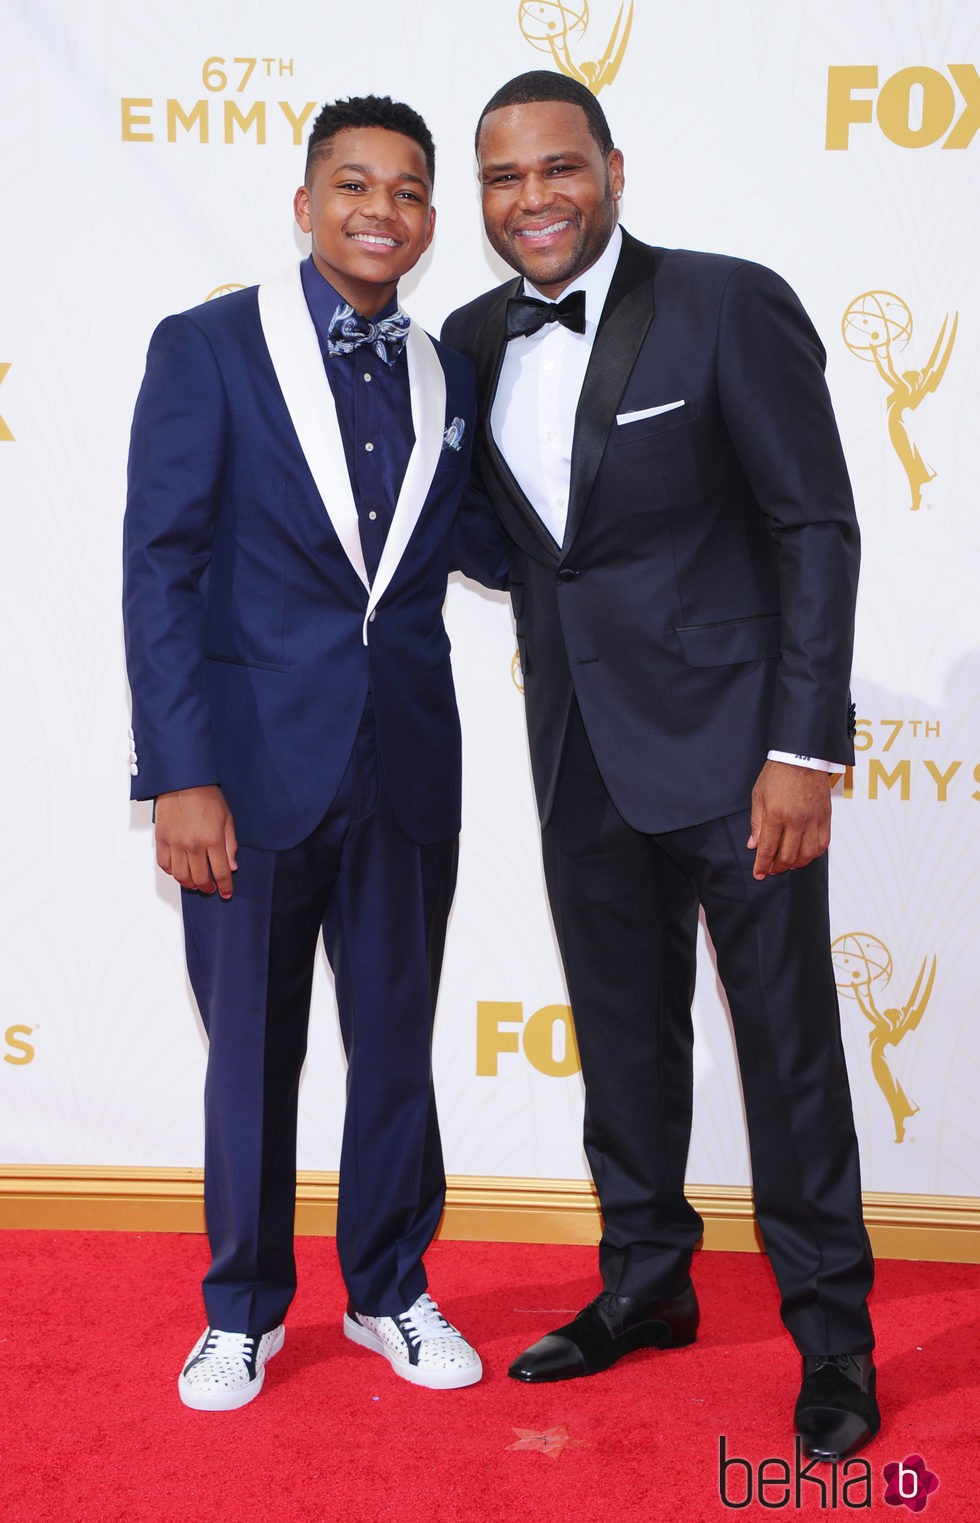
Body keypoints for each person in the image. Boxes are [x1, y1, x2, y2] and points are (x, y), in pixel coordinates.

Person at [443, 71, 878, 1462]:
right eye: (506, 181)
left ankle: (836, 1343)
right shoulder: (467, 337)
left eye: (558, 170)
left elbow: (815, 524)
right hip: (577, 751)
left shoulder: (725, 302)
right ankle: (645, 1286)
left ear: (613, 169)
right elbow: (500, 536)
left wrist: (803, 746)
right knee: (623, 1045)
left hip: (744, 755)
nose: (534, 202)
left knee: (790, 1056)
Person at [123, 94, 506, 1411]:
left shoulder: (449, 373)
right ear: (304, 202)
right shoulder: (209, 348)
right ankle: (241, 1310)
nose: (378, 212)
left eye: (405, 192)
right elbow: (158, 567)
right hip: (242, 773)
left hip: (404, 765)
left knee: (395, 1046)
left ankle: (390, 1290)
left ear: (431, 220)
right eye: (353, 186)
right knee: (251, 1056)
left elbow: (489, 548)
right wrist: (178, 772)